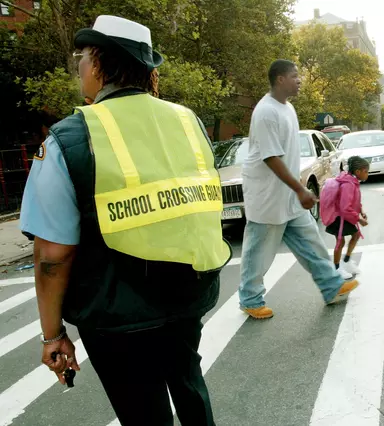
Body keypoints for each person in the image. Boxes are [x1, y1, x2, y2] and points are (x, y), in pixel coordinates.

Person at [20, 15, 230, 426]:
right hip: (190, 292)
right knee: (189, 387)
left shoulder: (70, 137)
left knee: (143, 412)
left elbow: (51, 256)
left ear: (97, 62)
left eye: (81, 57)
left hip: (116, 315)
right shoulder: (188, 122)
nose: (79, 66)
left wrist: (52, 334)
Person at [238, 59, 359, 320]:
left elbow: (288, 155)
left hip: (289, 195)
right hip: (267, 196)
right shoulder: (266, 112)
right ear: (280, 79)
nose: (300, 80)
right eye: (295, 76)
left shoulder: (287, 108)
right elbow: (271, 158)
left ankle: (331, 286)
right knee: (258, 252)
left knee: (311, 243)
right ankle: (249, 299)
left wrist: (299, 188)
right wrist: (300, 189)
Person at [322, 156, 370, 279]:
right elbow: (344, 207)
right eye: (366, 171)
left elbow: (355, 201)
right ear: (358, 172)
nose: (367, 174)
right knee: (340, 241)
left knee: (355, 235)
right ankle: (337, 268)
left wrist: (361, 211)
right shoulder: (348, 185)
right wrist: (359, 219)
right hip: (338, 217)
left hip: (344, 216)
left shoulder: (353, 182)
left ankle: (347, 261)